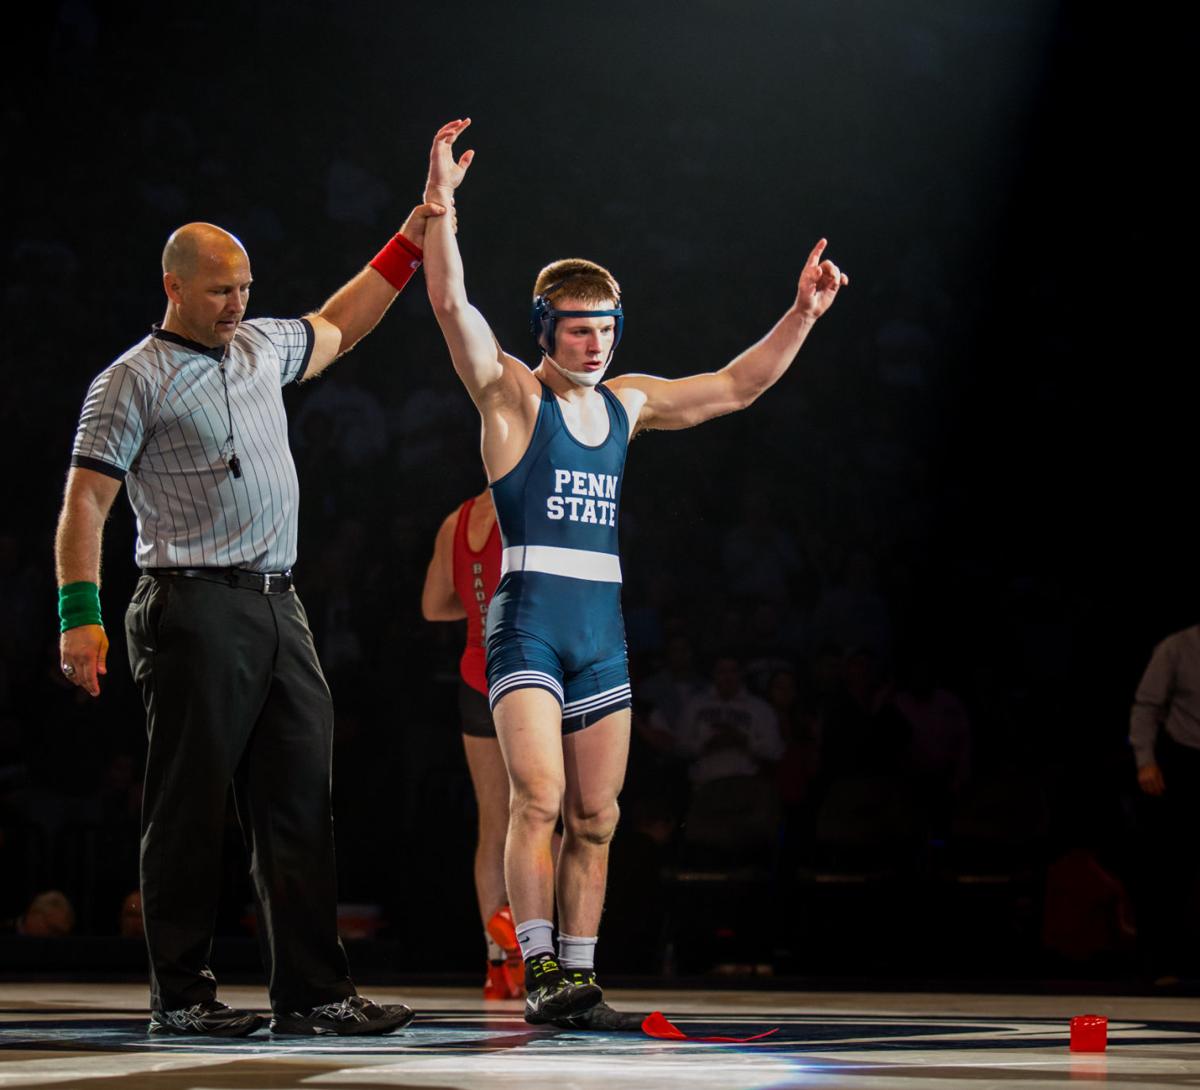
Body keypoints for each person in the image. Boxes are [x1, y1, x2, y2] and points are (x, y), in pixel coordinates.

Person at [421, 118, 848, 1025]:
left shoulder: (630, 403)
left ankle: (579, 973)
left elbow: (735, 386)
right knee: (535, 797)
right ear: (547, 329)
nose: (596, 346)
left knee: (600, 816)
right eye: (579, 332)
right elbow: (454, 310)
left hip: (599, 633)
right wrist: (441, 211)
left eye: (606, 330)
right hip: (527, 622)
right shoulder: (509, 395)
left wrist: (802, 316)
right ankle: (533, 968)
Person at [54, 192, 449, 1037]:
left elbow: (342, 322)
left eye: (244, 287)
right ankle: (182, 997)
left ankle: (314, 992)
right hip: (190, 602)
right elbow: (87, 502)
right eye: (220, 291)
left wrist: (408, 243)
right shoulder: (131, 379)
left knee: (301, 800)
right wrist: (77, 612)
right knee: (188, 805)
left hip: (279, 602)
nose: (237, 304)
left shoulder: (261, 345)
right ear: (173, 286)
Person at [421, 487, 524, 999]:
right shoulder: (531, 505)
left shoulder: (454, 521)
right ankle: (529, 942)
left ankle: (495, 963)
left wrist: (478, 604)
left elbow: (433, 607)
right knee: (546, 813)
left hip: (474, 676)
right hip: (527, 675)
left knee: (493, 822)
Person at [1130, 624, 1200, 980]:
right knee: (1172, 866)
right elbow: (1146, 706)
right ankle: (1162, 963)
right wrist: (1146, 760)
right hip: (1184, 761)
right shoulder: (1177, 647)